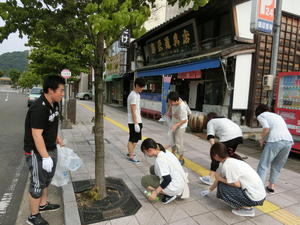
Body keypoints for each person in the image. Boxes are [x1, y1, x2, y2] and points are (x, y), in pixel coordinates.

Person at [24, 75, 65, 225]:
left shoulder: (54, 103)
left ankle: (43, 204)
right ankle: (33, 216)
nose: (62, 93)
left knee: (46, 178)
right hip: (36, 151)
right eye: (60, 91)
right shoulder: (39, 108)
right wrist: (45, 157)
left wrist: (56, 138)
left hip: (50, 147)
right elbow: (36, 134)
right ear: (50, 90)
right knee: (37, 182)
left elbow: (50, 125)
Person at [201, 143, 266, 217]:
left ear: (216, 156)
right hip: (259, 195)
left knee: (222, 187)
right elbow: (219, 178)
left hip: (255, 198)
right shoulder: (229, 160)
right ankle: (243, 204)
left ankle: (247, 209)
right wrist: (209, 190)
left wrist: (221, 179)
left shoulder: (228, 165)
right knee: (222, 182)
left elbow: (237, 184)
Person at [255, 104, 293, 193]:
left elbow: (266, 128)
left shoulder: (261, 115)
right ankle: (271, 186)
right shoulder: (277, 116)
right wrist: (266, 139)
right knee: (277, 165)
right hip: (288, 141)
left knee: (263, 164)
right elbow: (276, 128)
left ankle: (258, 188)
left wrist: (261, 138)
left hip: (275, 141)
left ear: (258, 112)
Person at [199, 112, 244, 185]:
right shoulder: (224, 119)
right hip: (239, 136)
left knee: (216, 156)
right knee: (229, 156)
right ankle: (235, 174)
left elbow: (210, 136)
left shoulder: (211, 121)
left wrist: (214, 149)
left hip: (228, 136)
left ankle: (210, 178)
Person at [141, 138, 189, 204]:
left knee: (144, 180)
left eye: (145, 152)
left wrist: (155, 192)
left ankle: (168, 195)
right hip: (180, 181)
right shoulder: (164, 151)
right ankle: (162, 191)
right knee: (153, 168)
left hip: (174, 187)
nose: (145, 155)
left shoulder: (160, 160)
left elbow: (167, 179)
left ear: (150, 150)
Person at [166, 91, 188, 165]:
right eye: (169, 102)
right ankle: (173, 155)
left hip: (181, 126)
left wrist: (176, 125)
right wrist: (169, 111)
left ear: (176, 101)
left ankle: (181, 159)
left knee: (178, 142)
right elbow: (171, 106)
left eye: (171, 102)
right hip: (174, 123)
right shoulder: (173, 101)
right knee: (172, 140)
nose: (170, 104)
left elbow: (184, 120)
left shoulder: (182, 107)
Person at [127, 78, 146, 163]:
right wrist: (136, 123)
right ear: (137, 86)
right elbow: (133, 110)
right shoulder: (133, 95)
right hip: (133, 121)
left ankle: (130, 152)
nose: (142, 89)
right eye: (141, 87)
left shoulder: (137, 94)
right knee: (132, 139)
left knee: (135, 139)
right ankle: (131, 156)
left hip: (137, 120)